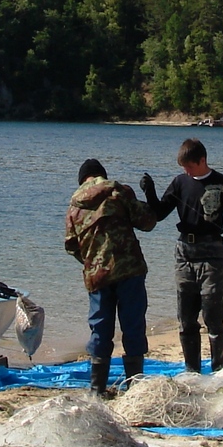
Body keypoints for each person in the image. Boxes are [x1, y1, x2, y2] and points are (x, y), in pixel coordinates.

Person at [142, 138, 223, 374]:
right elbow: (159, 214)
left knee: (212, 314)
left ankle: (219, 369)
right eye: (183, 167)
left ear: (202, 160)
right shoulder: (179, 182)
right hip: (184, 254)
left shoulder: (222, 183)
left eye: (190, 166)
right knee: (186, 317)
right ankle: (192, 372)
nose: (186, 171)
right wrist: (149, 191)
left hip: (213, 254)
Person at [64, 157, 156, 396]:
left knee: (100, 328)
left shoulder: (74, 207)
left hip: (97, 276)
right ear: (101, 175)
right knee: (133, 327)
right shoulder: (120, 192)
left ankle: (97, 390)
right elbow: (147, 222)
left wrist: (93, 261)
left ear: (82, 180)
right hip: (130, 270)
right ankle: (134, 387)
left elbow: (71, 246)